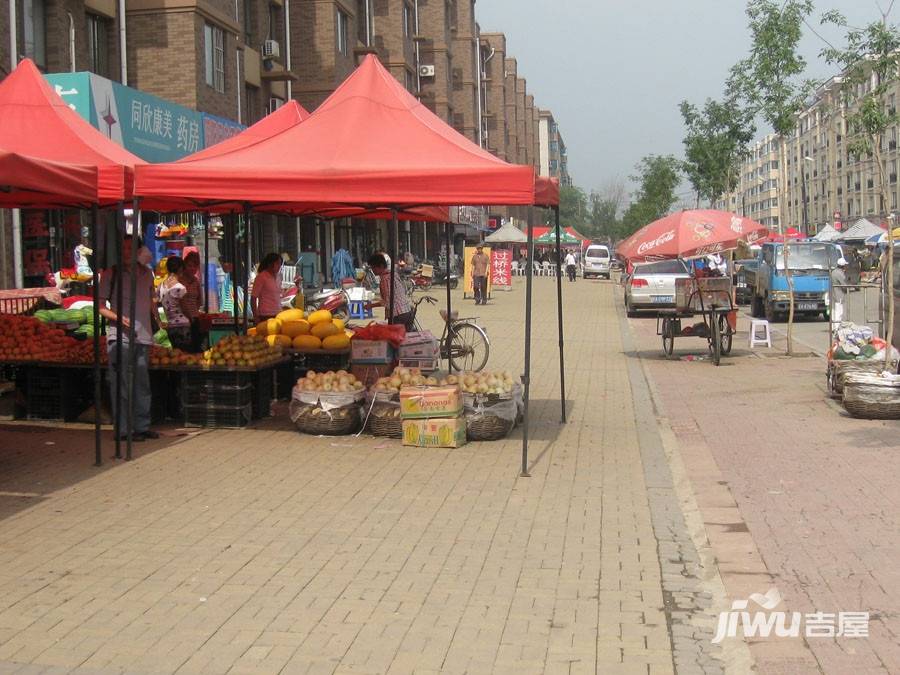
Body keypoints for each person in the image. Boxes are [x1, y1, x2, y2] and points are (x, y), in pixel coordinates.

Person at [98, 235, 159, 441]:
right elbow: (99, 307)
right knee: (122, 385)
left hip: (143, 336)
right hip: (120, 337)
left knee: (142, 384)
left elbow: (151, 299)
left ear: (138, 251)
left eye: (130, 249)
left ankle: (141, 426)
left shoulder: (147, 274)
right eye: (122, 249)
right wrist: (119, 318)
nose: (126, 253)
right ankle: (124, 430)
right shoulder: (110, 275)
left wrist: (157, 320)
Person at [368, 253, 414, 329]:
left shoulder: (385, 279)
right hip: (406, 311)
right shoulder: (393, 274)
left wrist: (371, 306)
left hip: (398, 314)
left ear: (381, 266)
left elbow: (387, 302)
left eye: (374, 268)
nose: (373, 270)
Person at [158, 257, 193, 352]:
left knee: (176, 354)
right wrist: (192, 319)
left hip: (171, 326)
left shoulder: (160, 286)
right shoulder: (180, 288)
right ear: (180, 269)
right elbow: (185, 308)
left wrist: (158, 320)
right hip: (183, 326)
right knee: (185, 354)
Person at [251, 252, 284, 322]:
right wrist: (255, 316)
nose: (279, 266)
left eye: (280, 264)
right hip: (265, 315)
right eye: (277, 263)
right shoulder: (261, 277)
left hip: (278, 314)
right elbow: (253, 298)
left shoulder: (279, 277)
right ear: (270, 264)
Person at [831, 257, 849, 323]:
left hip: (833, 294)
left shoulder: (833, 272)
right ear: (843, 266)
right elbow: (844, 285)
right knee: (839, 312)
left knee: (834, 311)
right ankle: (837, 327)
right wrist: (847, 289)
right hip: (839, 295)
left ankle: (833, 327)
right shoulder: (840, 273)